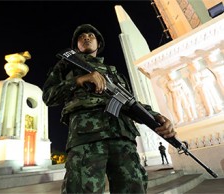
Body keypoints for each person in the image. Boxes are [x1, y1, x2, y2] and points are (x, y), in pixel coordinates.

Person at [42, 24, 176, 194]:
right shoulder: (67, 66)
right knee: (81, 189)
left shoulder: (114, 74)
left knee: (134, 188)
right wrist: (79, 80)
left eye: (92, 35)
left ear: (99, 43)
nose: (87, 37)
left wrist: (155, 116)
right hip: (87, 137)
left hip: (122, 137)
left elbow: (131, 103)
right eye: (81, 36)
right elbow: (49, 96)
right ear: (77, 46)